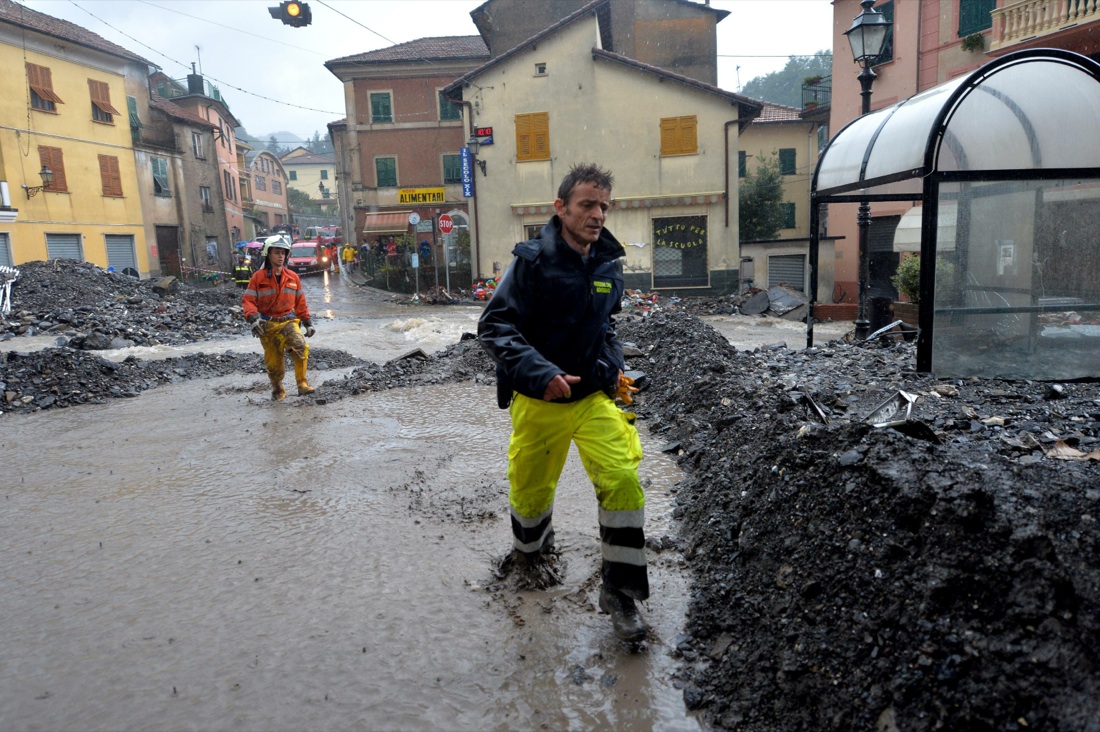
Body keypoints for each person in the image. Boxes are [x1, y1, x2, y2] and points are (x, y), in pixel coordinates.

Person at [478, 163, 648, 642]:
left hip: (593, 397)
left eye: (604, 206)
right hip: (539, 400)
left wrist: (613, 363)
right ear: (561, 208)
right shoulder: (531, 262)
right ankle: (531, 559)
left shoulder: (609, 264)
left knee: (622, 480)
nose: (598, 215)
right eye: (587, 205)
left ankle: (621, 594)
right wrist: (542, 373)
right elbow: (494, 326)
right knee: (531, 494)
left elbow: (607, 326)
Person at [242, 235, 316, 401]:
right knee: (275, 366)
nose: (280, 256)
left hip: (288, 321)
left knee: (300, 346)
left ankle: (302, 384)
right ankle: (277, 389)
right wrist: (253, 318)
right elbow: (248, 300)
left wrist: (307, 323)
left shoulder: (293, 277)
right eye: (276, 252)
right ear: (268, 254)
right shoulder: (258, 278)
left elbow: (300, 302)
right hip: (267, 325)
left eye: (283, 253)